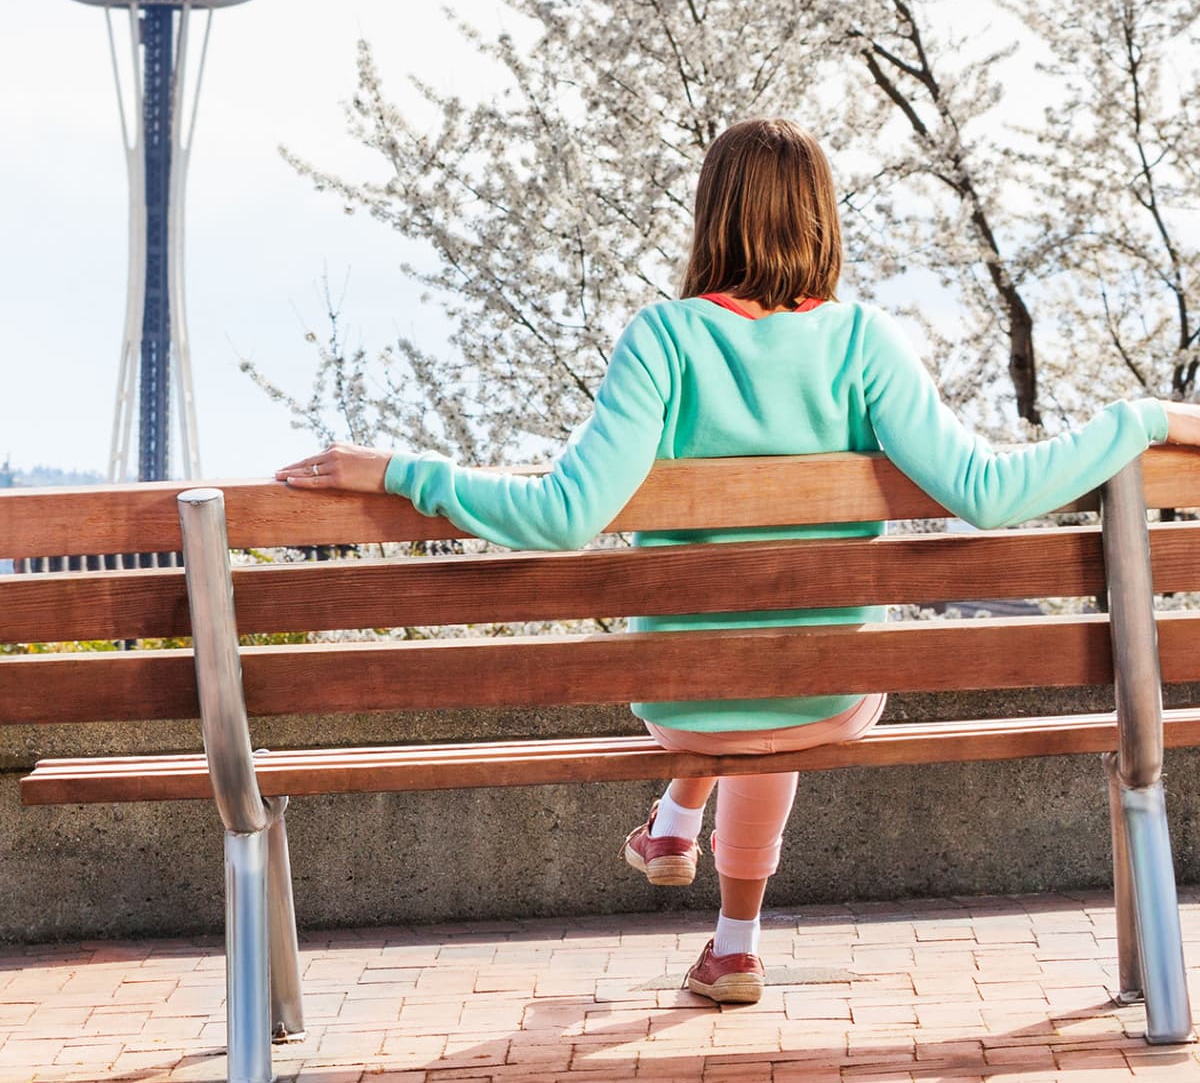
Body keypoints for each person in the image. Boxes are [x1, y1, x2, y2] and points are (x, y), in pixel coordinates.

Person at [277, 117, 1200, 1006]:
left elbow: (562, 515)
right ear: (821, 217)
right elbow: (991, 493)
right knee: (785, 663)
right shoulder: (862, 341)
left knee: (734, 669)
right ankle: (731, 938)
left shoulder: (664, 338)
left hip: (683, 700)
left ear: (711, 215)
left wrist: (400, 470)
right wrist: (1140, 419)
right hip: (829, 697)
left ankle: (681, 833)